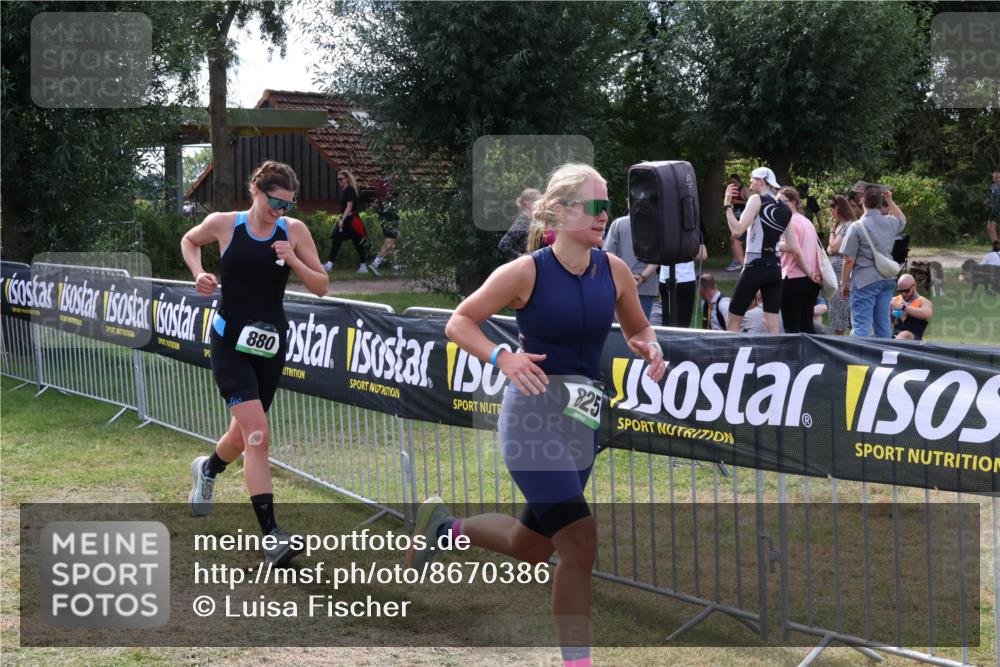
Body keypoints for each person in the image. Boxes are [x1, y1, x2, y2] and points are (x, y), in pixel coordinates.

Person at [408, 163, 666, 667]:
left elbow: (638, 328)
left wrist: (649, 348)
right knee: (580, 544)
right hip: (532, 420)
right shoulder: (526, 271)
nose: (604, 215)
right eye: (594, 205)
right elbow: (460, 321)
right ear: (561, 211)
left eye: (606, 205)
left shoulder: (612, 270)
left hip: (581, 423)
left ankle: (444, 528)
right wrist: (503, 357)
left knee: (530, 545)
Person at [180, 160, 329, 566]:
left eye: (288, 204)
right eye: (275, 202)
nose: (280, 211)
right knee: (259, 434)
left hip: (270, 345)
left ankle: (208, 469)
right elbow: (189, 241)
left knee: (245, 434)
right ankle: (272, 536)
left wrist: (294, 261)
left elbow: (321, 286)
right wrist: (199, 272)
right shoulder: (225, 224)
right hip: (230, 342)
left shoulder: (293, 231)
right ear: (256, 191)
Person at [723, 166, 802, 334]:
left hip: (754, 266)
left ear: (761, 181)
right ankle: (777, 359)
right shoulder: (785, 208)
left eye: (752, 178)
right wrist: (771, 247)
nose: (749, 181)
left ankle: (730, 359)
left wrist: (727, 206)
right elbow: (793, 247)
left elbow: (737, 231)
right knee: (771, 324)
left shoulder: (756, 200)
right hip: (774, 268)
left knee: (733, 321)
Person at [840, 186, 907, 338]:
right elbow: (902, 220)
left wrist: (844, 283)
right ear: (880, 203)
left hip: (865, 281)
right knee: (883, 324)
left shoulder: (856, 227)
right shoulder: (890, 222)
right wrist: (890, 200)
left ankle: (857, 360)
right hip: (887, 278)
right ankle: (884, 359)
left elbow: (849, 259)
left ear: (861, 200)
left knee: (861, 325)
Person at [776, 187, 823, 333]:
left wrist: (774, 244)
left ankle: (795, 356)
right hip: (811, 281)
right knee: (807, 326)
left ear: (794, 202)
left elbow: (795, 251)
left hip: (794, 278)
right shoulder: (807, 221)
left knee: (792, 329)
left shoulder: (790, 222)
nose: (777, 205)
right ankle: (812, 355)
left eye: (781, 201)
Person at [603, 212, 659, 319]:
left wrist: (625, 277)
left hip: (620, 285)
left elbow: (609, 253)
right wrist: (642, 277)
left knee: (619, 329)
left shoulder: (618, 223)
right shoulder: (656, 225)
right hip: (646, 287)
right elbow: (658, 257)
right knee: (641, 329)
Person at [325, 170, 379, 276]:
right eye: (338, 179)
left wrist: (342, 219)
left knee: (357, 242)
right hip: (347, 219)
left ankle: (363, 265)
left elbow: (349, 207)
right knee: (337, 238)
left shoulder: (350, 190)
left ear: (347, 179)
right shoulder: (346, 190)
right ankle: (329, 265)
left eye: (341, 179)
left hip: (352, 221)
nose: (339, 181)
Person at [825, 195, 856, 335]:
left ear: (839, 208)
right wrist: (832, 245)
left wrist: (831, 230)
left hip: (843, 273)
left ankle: (844, 339)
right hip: (834, 273)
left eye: (832, 209)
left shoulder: (848, 225)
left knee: (843, 310)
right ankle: (839, 339)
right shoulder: (840, 225)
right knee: (836, 310)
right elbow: (829, 249)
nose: (831, 213)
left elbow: (834, 248)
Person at [498, 188, 542, 261]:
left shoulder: (531, 221)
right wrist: (520, 256)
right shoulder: (522, 223)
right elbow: (503, 244)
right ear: (529, 204)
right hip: (524, 267)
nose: (541, 204)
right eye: (538, 201)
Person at [891, 273, 932, 340]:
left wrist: (904, 307)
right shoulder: (894, 300)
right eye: (901, 291)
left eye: (907, 291)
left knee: (905, 334)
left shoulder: (923, 301)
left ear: (914, 286)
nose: (903, 294)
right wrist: (891, 313)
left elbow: (927, 314)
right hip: (893, 335)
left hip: (913, 339)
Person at [372, 179, 400, 273]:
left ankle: (396, 267)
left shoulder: (381, 185)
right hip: (390, 216)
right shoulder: (391, 186)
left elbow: (375, 204)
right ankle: (375, 264)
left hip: (383, 216)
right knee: (389, 241)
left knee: (392, 244)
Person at [658, 261, 697, 327]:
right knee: (682, 324)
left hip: (664, 279)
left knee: (666, 322)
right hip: (685, 279)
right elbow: (703, 255)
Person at [726, 174, 751, 271]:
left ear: (738, 181)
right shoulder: (732, 191)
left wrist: (738, 202)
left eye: (734, 182)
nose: (732, 184)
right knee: (732, 239)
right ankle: (736, 260)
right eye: (731, 182)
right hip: (736, 219)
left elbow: (751, 203)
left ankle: (742, 264)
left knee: (735, 239)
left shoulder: (744, 190)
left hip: (745, 219)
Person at [988, 171, 1000, 244]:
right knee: (989, 227)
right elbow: (992, 197)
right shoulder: (993, 186)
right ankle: (996, 246)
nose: (996, 179)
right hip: (995, 210)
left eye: (998, 177)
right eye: (995, 178)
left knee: (992, 227)